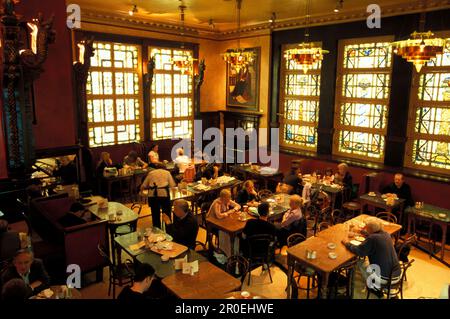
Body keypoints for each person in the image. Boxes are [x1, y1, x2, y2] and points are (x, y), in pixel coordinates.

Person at [342, 218, 401, 293]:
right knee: (368, 262)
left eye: (367, 228)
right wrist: (361, 231)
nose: (365, 229)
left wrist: (347, 243)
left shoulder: (372, 238)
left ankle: (374, 286)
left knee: (359, 261)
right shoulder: (386, 234)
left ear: (370, 229)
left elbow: (359, 252)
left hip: (385, 278)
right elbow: (373, 235)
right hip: (396, 274)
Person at [208, 189, 241, 256]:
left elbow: (238, 206)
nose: (230, 199)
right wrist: (229, 212)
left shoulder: (227, 201)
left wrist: (233, 210)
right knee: (228, 231)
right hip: (213, 224)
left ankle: (230, 251)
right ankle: (225, 251)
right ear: (223, 197)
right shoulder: (217, 203)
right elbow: (219, 216)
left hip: (223, 221)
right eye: (228, 197)